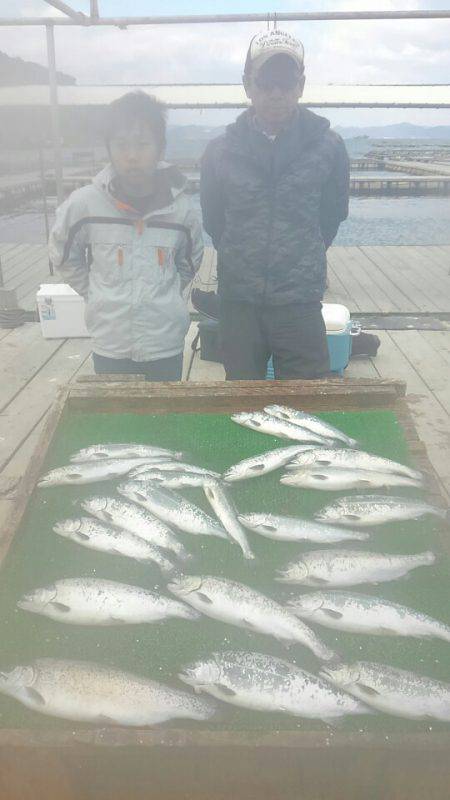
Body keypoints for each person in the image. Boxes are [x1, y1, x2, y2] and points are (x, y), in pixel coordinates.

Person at [201, 29, 350, 380]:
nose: (276, 94)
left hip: (299, 302)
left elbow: (332, 216)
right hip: (238, 302)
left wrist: (298, 256)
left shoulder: (330, 147)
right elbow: (213, 221)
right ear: (247, 84)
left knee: (306, 402)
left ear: (301, 85)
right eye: (265, 82)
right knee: (241, 402)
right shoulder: (218, 151)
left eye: (285, 83)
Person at [49, 91, 203, 381]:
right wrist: (96, 294)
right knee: (116, 422)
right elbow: (63, 253)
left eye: (143, 144)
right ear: (108, 148)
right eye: (121, 145)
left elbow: (190, 261)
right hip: (111, 345)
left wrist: (166, 295)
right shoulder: (83, 204)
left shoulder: (182, 210)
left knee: (163, 419)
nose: (132, 156)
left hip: (164, 344)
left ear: (161, 148)